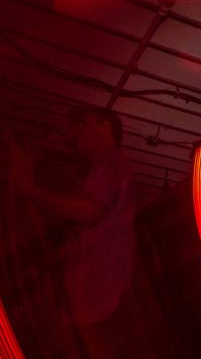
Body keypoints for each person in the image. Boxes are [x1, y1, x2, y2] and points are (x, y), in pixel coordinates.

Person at [9, 106, 136, 325]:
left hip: (95, 302)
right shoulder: (107, 167)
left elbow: (88, 213)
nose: (75, 133)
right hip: (94, 304)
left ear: (105, 126)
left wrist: (31, 190)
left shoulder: (110, 161)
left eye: (82, 124)